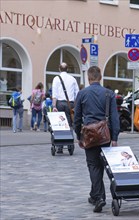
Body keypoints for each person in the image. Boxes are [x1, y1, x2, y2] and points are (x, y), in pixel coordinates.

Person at [74, 66, 120, 213]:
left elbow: (76, 118)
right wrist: (115, 137)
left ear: (88, 78)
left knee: (93, 166)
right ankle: (105, 194)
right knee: (107, 167)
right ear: (100, 77)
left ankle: (98, 197)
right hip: (105, 135)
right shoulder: (109, 94)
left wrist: (78, 134)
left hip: (89, 135)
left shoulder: (82, 93)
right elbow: (114, 117)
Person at [52, 62, 79, 153]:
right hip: (70, 104)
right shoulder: (73, 79)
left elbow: (54, 94)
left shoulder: (56, 79)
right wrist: (75, 105)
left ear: (59, 69)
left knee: (60, 125)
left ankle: (60, 146)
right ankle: (70, 144)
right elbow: (77, 93)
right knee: (70, 124)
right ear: (67, 69)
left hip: (60, 103)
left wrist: (54, 106)